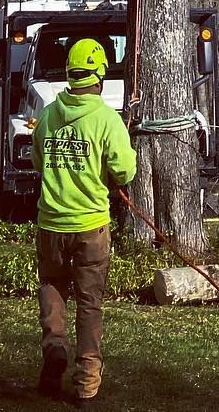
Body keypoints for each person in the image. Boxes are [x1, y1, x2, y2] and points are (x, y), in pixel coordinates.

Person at [33, 37, 138, 405]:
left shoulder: (48, 115)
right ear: (100, 76)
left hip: (51, 224)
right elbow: (124, 171)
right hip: (91, 225)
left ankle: (54, 349)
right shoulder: (107, 119)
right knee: (89, 301)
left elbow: (38, 162)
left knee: (52, 285)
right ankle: (87, 377)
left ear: (69, 74)